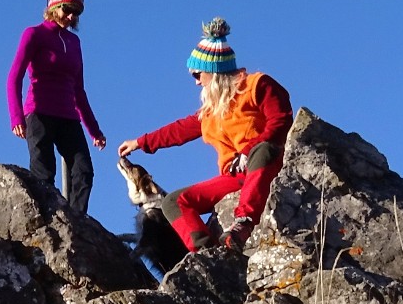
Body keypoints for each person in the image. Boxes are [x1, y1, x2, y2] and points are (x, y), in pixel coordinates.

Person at [116, 18, 292, 252]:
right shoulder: (211, 111)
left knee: (264, 148)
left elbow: (281, 119)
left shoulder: (257, 84)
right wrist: (140, 142)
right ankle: (206, 254)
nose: (197, 82)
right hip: (233, 177)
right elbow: (179, 130)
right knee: (174, 202)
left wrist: (248, 151)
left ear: (214, 71)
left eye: (197, 74)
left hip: (264, 163)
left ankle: (243, 223)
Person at [6, 0, 106, 213]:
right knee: (44, 173)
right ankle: (48, 223)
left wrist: (94, 130)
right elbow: (14, 77)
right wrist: (16, 117)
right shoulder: (34, 34)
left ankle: (76, 220)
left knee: (83, 170)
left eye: (77, 13)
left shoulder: (74, 42)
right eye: (68, 9)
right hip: (39, 113)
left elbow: (79, 90)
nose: (72, 17)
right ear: (54, 7)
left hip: (68, 117)